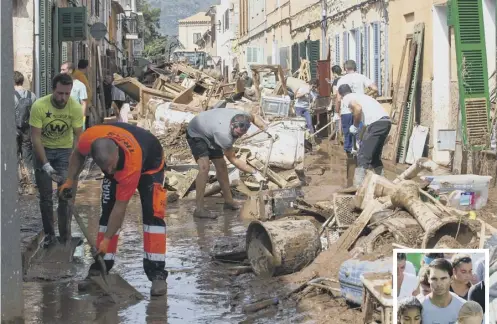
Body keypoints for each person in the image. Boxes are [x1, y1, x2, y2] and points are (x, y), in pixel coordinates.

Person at [59, 122, 169, 296]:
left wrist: (107, 239)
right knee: (106, 212)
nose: (109, 170)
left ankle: (157, 274)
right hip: (125, 150)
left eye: (110, 165)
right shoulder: (89, 138)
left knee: (152, 216)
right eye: (104, 168)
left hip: (150, 164)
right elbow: (78, 155)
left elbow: (121, 207)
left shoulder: (130, 166)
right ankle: (100, 268)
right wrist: (70, 180)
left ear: (116, 151)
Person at [29, 73, 84, 247]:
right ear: (53, 90)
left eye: (67, 94)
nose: (63, 98)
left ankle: (65, 236)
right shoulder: (39, 106)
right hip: (42, 150)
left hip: (64, 152)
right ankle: (50, 236)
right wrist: (45, 165)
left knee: (65, 195)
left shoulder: (74, 108)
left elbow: (78, 136)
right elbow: (35, 138)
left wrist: (73, 160)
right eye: (60, 93)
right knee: (45, 197)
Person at [186, 108, 268, 219]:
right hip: (197, 131)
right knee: (204, 167)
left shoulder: (244, 116)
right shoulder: (224, 136)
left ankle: (229, 202)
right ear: (232, 125)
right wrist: (255, 172)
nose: (238, 137)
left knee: (222, 166)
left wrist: (266, 129)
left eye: (241, 135)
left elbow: (254, 117)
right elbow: (233, 160)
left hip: (210, 127)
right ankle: (199, 209)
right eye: (236, 134)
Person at [337, 84, 391, 186]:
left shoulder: (347, 98)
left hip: (376, 124)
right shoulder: (361, 96)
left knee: (362, 157)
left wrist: (355, 125)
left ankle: (358, 188)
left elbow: (357, 109)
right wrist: (359, 140)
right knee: (375, 158)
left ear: (340, 95)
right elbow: (366, 124)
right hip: (386, 122)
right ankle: (384, 185)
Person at [335, 60, 378, 154]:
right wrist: (366, 95)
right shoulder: (361, 77)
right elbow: (375, 89)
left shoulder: (342, 80)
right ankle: (361, 159)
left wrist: (336, 112)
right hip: (360, 110)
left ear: (345, 68)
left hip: (346, 111)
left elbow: (338, 99)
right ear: (355, 67)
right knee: (360, 137)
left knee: (348, 137)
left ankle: (350, 160)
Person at [421, 258, 466, 323]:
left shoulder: (463, 307)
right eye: (434, 279)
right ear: (428, 279)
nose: (439, 284)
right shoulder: (419, 307)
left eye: (443, 278)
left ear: (451, 279)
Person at [14, 71, 38, 193]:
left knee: (14, 156)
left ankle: (18, 185)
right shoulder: (32, 95)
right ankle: (32, 183)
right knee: (28, 156)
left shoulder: (8, 95)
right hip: (27, 130)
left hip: (14, 129)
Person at [60, 62, 88, 128]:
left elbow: (83, 103)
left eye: (63, 70)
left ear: (70, 71)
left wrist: (81, 120)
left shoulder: (80, 85)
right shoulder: (59, 85)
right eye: (61, 70)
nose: (61, 72)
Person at [72, 59, 92, 129]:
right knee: (83, 123)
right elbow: (84, 90)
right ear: (86, 67)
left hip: (83, 103)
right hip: (82, 104)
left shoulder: (78, 74)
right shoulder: (80, 75)